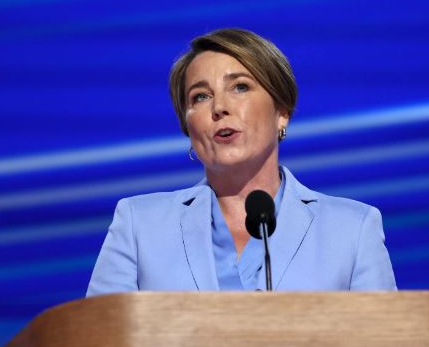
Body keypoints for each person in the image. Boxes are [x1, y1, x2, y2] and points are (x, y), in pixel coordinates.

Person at [86, 28, 396, 295]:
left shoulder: (353, 229)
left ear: (282, 112)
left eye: (240, 87)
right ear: (188, 127)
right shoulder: (139, 225)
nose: (219, 107)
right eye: (200, 97)